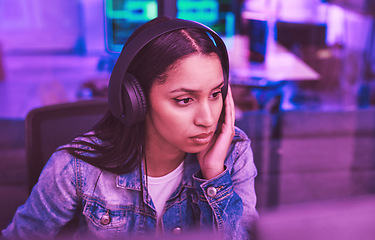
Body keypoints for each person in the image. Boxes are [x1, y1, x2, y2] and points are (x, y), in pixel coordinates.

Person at [1, 17, 258, 240]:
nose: (208, 119)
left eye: (215, 94)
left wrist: (214, 176)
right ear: (135, 99)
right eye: (185, 100)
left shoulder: (233, 153)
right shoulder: (75, 170)